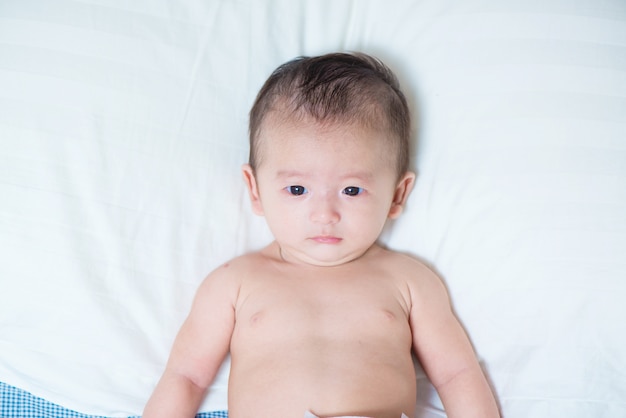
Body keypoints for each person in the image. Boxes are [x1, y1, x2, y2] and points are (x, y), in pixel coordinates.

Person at [143, 52, 500, 418]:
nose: (325, 215)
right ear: (255, 190)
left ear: (397, 194)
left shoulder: (409, 280)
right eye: (297, 190)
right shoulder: (234, 282)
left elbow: (458, 374)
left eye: (352, 191)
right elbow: (185, 377)